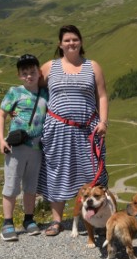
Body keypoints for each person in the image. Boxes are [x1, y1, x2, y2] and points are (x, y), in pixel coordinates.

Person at [37, 24, 109, 236]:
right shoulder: (49, 67)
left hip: (88, 130)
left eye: (74, 39)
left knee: (91, 173)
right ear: (60, 44)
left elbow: (102, 96)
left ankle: (96, 219)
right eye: (67, 40)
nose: (71, 43)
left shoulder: (93, 66)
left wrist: (103, 122)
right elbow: (33, 89)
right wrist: (18, 109)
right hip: (57, 130)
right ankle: (56, 221)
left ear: (81, 42)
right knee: (57, 172)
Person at [0, 54, 49, 241]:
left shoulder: (44, 94)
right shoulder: (14, 92)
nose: (29, 76)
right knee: (11, 185)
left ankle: (28, 219)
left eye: (32, 72)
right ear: (19, 75)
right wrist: (1, 140)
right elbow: (1, 115)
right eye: (24, 73)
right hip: (16, 147)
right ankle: (7, 223)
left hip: (36, 148)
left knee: (30, 186)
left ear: (38, 72)